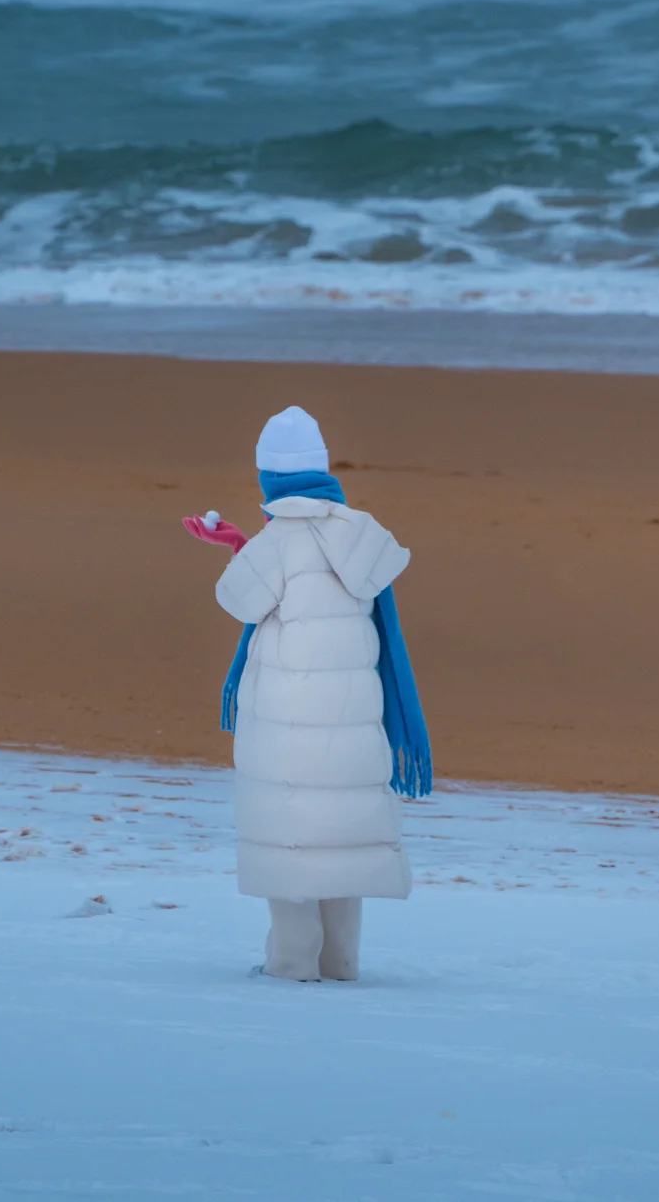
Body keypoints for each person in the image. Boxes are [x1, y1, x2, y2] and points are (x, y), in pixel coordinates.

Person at [183, 405, 431, 982]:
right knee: (342, 840)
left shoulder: (278, 543)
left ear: (269, 478)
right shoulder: (361, 534)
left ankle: (292, 963)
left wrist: (238, 546)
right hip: (355, 722)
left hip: (287, 728)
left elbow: (239, 600)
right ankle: (340, 963)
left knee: (291, 838)